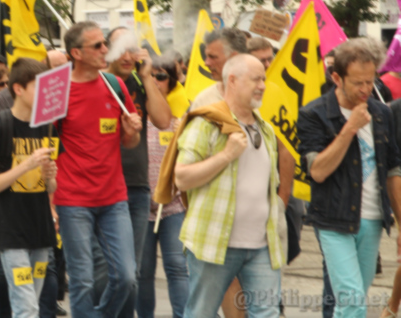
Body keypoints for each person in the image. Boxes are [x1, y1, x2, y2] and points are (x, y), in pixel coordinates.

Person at [298, 38, 401, 318]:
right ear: (336, 78)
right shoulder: (313, 114)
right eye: (358, 83)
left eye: (371, 81)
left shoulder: (381, 112)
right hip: (333, 219)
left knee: (355, 299)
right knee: (352, 300)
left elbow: (392, 168)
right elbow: (317, 170)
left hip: (372, 219)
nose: (366, 90)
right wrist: (349, 129)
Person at [175, 54, 284, 318]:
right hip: (213, 243)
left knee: (267, 313)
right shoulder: (206, 123)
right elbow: (181, 178)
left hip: (262, 245)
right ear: (232, 81)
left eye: (264, 79)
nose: (262, 85)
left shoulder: (266, 129)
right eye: (256, 79)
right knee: (201, 313)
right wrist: (226, 155)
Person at [56, 21, 141, 318]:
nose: (106, 49)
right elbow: (44, 144)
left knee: (127, 277)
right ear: (76, 53)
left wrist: (132, 132)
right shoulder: (58, 90)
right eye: (97, 46)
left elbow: (130, 142)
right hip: (72, 200)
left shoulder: (114, 85)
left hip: (113, 198)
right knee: (81, 280)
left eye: (105, 43)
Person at [0, 58, 58, 318]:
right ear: (19, 89)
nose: (46, 95)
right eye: (39, 87)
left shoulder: (48, 128)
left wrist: (50, 176)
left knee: (32, 303)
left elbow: (50, 186)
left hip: (41, 231)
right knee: (25, 306)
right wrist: (26, 165)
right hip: (10, 232)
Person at [104, 27, 171, 317]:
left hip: (137, 187)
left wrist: (147, 76)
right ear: (106, 50)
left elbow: (163, 119)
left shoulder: (142, 85)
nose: (128, 55)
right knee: (109, 269)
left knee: (133, 269)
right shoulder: (101, 83)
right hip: (104, 188)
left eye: (133, 49)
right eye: (121, 48)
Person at [137, 56, 189, 318]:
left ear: (172, 81)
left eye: (161, 77)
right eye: (151, 76)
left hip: (173, 205)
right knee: (142, 272)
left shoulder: (181, 117)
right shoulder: (134, 112)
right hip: (140, 207)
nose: (156, 81)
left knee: (178, 267)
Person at [191, 28, 248, 110]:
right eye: (206, 56)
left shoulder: (259, 94)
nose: (206, 63)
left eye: (212, 57)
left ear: (234, 57)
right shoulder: (203, 102)